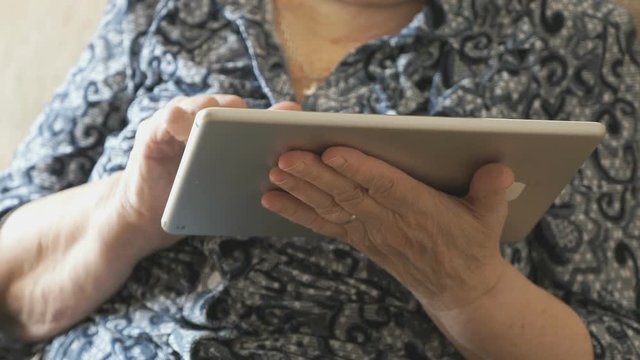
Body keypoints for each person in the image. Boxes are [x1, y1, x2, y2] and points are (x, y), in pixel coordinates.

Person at [0, 0, 638, 358]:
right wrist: (129, 208)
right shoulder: (163, 11)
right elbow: (8, 284)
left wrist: (469, 290)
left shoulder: (580, 39)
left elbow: (617, 337)